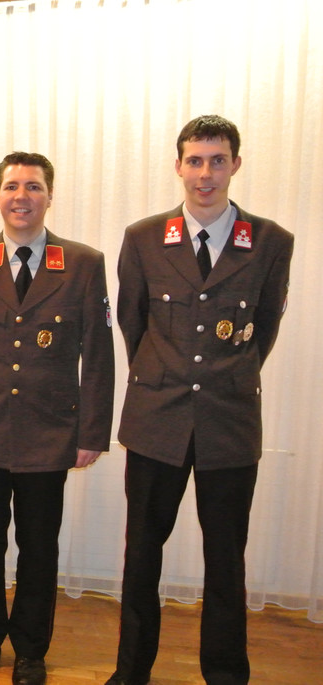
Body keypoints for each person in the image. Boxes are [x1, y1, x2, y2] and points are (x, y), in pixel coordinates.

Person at [106, 115, 294, 685]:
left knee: (226, 560)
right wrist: (167, 376)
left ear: (235, 164)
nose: (205, 174)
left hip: (229, 421)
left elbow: (262, 330)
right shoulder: (144, 237)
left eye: (217, 161)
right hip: (155, 420)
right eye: (195, 160)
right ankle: (131, 671)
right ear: (179, 165)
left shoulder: (270, 241)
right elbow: (134, 324)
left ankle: (227, 673)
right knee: (142, 554)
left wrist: (222, 377)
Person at [0, 152, 115, 685]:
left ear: (49, 196)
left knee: (39, 549)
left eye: (33, 187)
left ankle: (30, 651)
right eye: (12, 186)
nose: (22, 196)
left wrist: (92, 432)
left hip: (48, 433)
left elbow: (99, 354)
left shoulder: (83, 263)